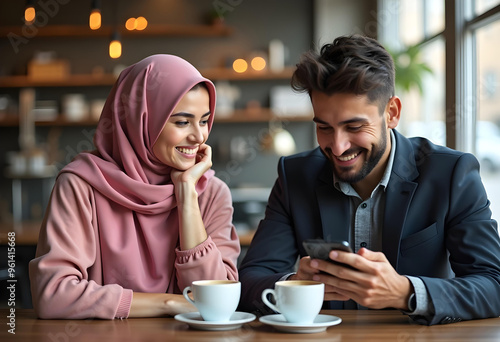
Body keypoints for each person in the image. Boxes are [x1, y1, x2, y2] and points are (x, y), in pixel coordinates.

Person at [238, 35, 500, 325]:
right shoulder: (295, 176)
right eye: (324, 127)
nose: (337, 147)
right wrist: (295, 282)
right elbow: (250, 281)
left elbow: (493, 285)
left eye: (354, 126)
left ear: (392, 113)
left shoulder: (451, 174)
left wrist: (407, 292)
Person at [29, 54, 240, 319]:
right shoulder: (81, 185)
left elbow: (218, 301)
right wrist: (170, 304)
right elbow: (54, 295)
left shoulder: (212, 193)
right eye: (182, 122)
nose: (198, 136)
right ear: (141, 119)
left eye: (204, 120)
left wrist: (187, 196)